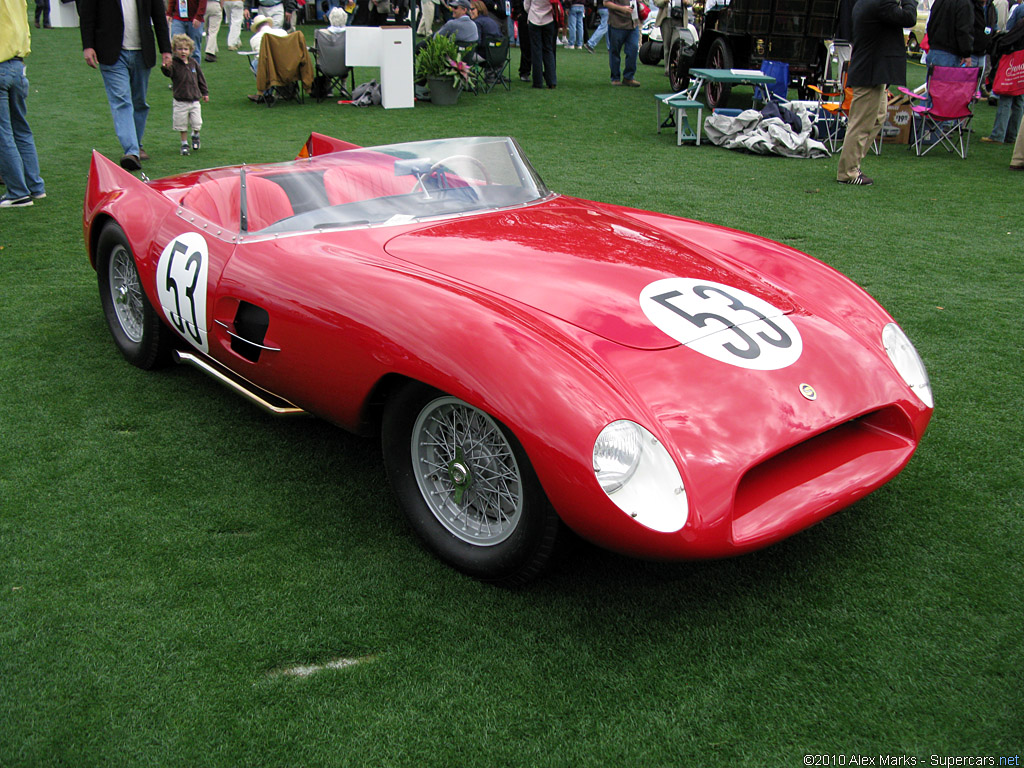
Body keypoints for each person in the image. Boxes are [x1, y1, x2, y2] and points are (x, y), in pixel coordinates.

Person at [80, 0, 173, 171]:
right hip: (111, 52)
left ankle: (136, 144)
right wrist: (88, 46)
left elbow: (159, 15)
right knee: (122, 100)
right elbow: (87, 15)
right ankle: (132, 151)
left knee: (139, 102)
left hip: (142, 51)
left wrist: (166, 49)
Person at [836, 0, 916, 186]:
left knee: (878, 117)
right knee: (861, 123)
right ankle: (848, 171)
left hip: (873, 70)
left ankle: (853, 163)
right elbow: (909, 17)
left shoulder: (866, 2)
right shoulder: (881, 3)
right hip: (870, 71)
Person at [1, 0, 46, 207]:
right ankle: (35, 187)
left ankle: (17, 192)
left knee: (4, 133)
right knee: (21, 129)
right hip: (18, 64)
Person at [161, 33, 208, 155]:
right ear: (174, 50)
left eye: (186, 49)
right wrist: (165, 67)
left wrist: (205, 92)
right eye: (180, 49)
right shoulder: (174, 64)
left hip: (194, 100)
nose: (183, 52)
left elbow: (200, 78)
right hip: (180, 100)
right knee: (181, 125)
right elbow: (168, 73)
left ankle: (195, 135)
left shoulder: (193, 63)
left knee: (197, 123)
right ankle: (184, 144)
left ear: (190, 50)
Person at [983, 1, 1023, 142]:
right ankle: (1012, 135)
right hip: (1020, 61)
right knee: (1019, 99)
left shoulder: (1020, 12)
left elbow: (1010, 36)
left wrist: (999, 44)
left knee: (1007, 96)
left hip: (1015, 59)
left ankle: (998, 135)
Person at [926, 0, 973, 66]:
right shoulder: (964, 3)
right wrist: (966, 54)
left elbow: (930, 24)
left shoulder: (939, 2)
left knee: (933, 75)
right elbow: (963, 31)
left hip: (934, 50)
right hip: (949, 54)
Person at [604, 0, 639, 85]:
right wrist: (621, 8)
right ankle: (615, 78)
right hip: (617, 24)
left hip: (633, 24)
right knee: (615, 52)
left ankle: (628, 77)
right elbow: (606, 2)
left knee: (633, 50)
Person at [524, 0, 556, 86]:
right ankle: (551, 80)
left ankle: (538, 82)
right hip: (548, 18)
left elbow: (526, 6)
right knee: (548, 50)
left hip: (534, 18)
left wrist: (531, 12)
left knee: (536, 51)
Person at [166, 0, 207, 65]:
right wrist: (169, 13)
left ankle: (194, 72)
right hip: (178, 18)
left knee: (194, 48)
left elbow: (203, 2)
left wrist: (199, 16)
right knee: (177, 46)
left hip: (194, 18)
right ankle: (178, 71)